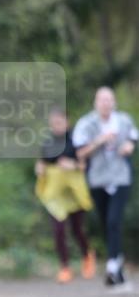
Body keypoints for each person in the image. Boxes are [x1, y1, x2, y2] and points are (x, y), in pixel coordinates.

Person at [72, 87, 138, 285]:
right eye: (102, 100)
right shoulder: (86, 124)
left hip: (120, 177)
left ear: (114, 102)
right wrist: (100, 141)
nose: (106, 103)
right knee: (105, 222)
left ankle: (111, 265)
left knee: (113, 221)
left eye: (109, 100)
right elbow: (80, 153)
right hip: (98, 179)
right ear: (96, 102)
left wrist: (129, 146)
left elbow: (133, 138)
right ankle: (117, 262)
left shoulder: (124, 121)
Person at [34, 108, 95, 283]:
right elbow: (41, 163)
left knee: (77, 230)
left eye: (59, 122)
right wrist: (39, 169)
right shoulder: (47, 143)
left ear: (67, 122)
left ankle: (87, 256)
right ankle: (65, 267)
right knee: (59, 230)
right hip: (56, 193)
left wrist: (73, 165)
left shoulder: (77, 141)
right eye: (53, 123)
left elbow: (85, 166)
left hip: (74, 192)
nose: (56, 126)